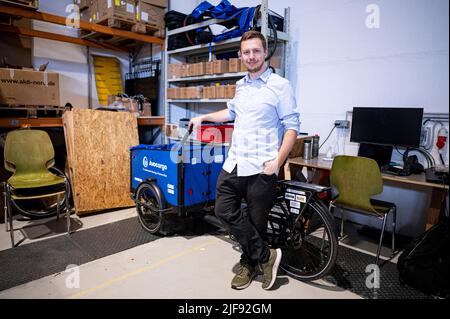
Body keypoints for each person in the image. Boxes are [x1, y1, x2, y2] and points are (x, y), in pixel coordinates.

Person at [188, 30, 300, 290]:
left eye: (256, 51)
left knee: (256, 223)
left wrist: (278, 162)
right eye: (246, 52)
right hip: (236, 161)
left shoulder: (280, 86)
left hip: (262, 166)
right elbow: (231, 111)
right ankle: (266, 256)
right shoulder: (241, 85)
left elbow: (291, 127)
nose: (251, 56)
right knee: (223, 210)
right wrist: (203, 118)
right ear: (240, 55)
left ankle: (249, 264)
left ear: (265, 53)